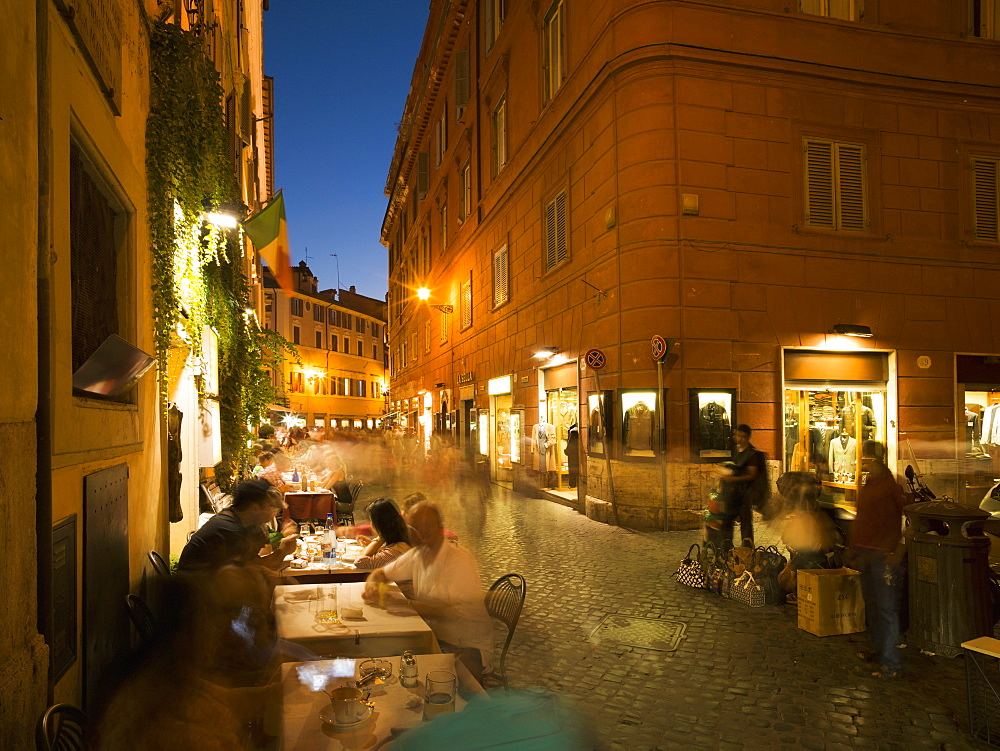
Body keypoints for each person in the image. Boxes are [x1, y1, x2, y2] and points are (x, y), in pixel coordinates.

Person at [362, 502, 492, 682]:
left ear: (439, 528)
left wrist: (406, 604)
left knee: (399, 665)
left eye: (425, 527)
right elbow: (380, 573)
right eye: (414, 528)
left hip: (465, 648)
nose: (419, 533)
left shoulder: (458, 560)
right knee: (378, 651)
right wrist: (373, 585)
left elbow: (451, 612)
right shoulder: (418, 554)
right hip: (435, 636)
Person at [851, 440, 906, 679]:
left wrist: (898, 551)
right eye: (864, 461)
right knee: (872, 605)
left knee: (886, 608)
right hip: (866, 552)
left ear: (880, 460)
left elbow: (905, 520)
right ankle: (878, 648)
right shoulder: (870, 482)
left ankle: (891, 661)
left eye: (870, 461)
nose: (866, 465)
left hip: (884, 555)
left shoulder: (892, 486)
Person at [178, 479, 298, 572]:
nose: (275, 512)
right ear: (254, 507)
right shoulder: (228, 530)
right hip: (198, 596)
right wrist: (282, 551)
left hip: (218, 590)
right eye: (272, 507)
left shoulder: (241, 518)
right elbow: (251, 570)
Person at [716, 424, 767, 545]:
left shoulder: (752, 454)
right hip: (732, 494)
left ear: (748, 437)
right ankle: (727, 550)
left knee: (745, 525)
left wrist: (731, 479)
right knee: (727, 522)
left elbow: (752, 475)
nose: (738, 438)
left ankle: (747, 552)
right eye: (737, 435)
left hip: (744, 495)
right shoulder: (736, 450)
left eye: (742, 436)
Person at [352, 498, 412, 570]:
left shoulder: (395, 551)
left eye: (371, 521)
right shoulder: (404, 532)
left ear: (378, 525)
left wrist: (379, 538)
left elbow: (360, 562)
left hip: (396, 581)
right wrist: (373, 543)